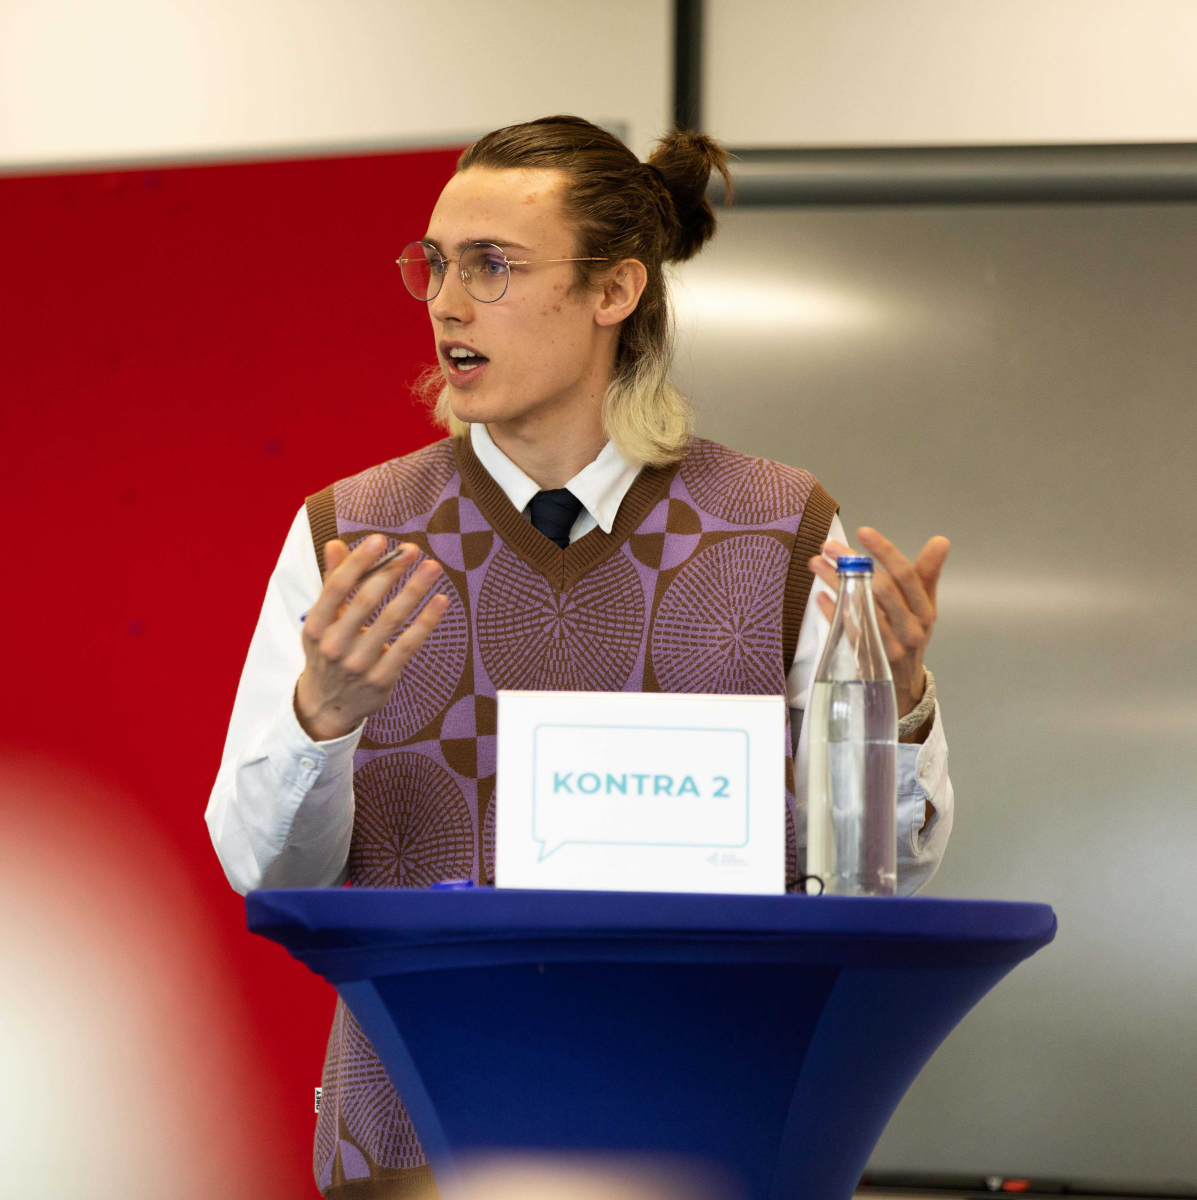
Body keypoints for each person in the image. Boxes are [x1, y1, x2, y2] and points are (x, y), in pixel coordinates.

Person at [204, 116, 954, 1200]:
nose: (446, 303)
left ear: (615, 290)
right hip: (420, 1152)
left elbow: (883, 876)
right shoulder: (350, 536)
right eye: (435, 264)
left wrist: (899, 706)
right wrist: (322, 717)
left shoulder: (782, 527)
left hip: (706, 1139)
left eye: (492, 266)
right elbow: (268, 876)